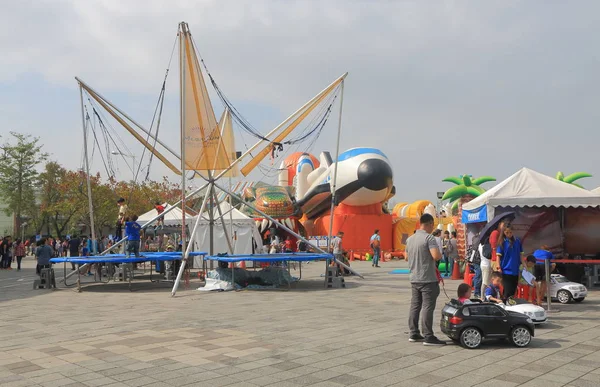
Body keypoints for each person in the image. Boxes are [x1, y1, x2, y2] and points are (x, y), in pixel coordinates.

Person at [406, 213, 445, 346]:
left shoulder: (410, 239)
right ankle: (428, 335)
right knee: (428, 307)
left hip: (414, 278)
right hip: (427, 278)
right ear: (428, 224)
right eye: (432, 225)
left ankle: (414, 332)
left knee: (415, 306)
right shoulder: (429, 238)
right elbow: (436, 256)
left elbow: (406, 257)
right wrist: (439, 253)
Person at [496, 226, 525, 300]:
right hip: (506, 270)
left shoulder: (517, 241)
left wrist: (524, 265)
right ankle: (505, 305)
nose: (509, 234)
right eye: (507, 232)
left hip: (515, 270)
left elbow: (521, 254)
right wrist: (498, 267)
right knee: (507, 291)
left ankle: (510, 305)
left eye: (510, 232)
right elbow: (498, 256)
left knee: (513, 290)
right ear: (504, 232)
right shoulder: (502, 242)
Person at [468, 234, 482, 299]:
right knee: (479, 275)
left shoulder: (475, 237)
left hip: (475, 260)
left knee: (478, 275)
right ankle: (476, 292)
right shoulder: (479, 238)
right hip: (478, 260)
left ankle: (474, 285)